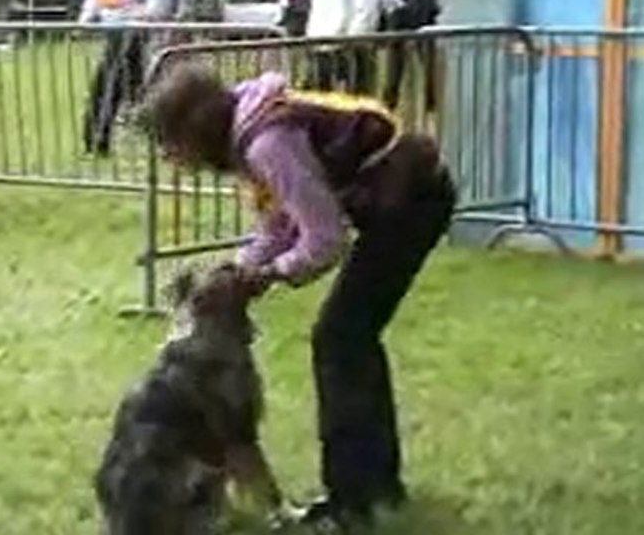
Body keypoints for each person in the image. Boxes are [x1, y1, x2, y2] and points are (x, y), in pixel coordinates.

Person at [141, 64, 456, 531]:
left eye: (173, 145)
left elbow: (325, 238)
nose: (175, 159)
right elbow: (279, 226)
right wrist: (239, 267)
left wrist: (267, 275)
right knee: (350, 338)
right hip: (395, 195)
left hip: (411, 197)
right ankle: (376, 486)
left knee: (340, 339)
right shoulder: (250, 131)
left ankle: (353, 502)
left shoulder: (267, 144)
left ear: (196, 127)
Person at [79, 0, 155, 155]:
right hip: (111, 23)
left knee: (114, 80)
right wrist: (87, 16)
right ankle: (97, 136)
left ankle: (99, 137)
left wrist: (146, 16)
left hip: (131, 24)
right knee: (129, 84)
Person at [380, 0, 443, 113]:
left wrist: (435, 5)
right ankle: (389, 102)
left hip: (426, 11)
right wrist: (399, 5)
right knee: (395, 61)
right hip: (402, 12)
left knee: (428, 59)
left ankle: (431, 103)